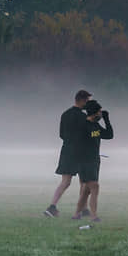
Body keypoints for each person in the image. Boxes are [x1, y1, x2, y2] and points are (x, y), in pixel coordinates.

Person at [44, 89, 91, 218]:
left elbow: (61, 134)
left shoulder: (65, 114)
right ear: (82, 100)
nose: (88, 104)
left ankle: (52, 207)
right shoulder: (83, 117)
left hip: (67, 151)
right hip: (81, 152)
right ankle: (82, 209)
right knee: (84, 181)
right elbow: (86, 135)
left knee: (65, 181)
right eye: (87, 101)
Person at [72, 99, 113, 222]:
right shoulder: (83, 126)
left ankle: (76, 214)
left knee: (86, 190)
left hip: (95, 161)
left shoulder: (96, 125)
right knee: (94, 186)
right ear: (94, 113)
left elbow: (109, 135)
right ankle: (94, 216)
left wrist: (106, 119)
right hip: (84, 161)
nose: (101, 113)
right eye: (100, 112)